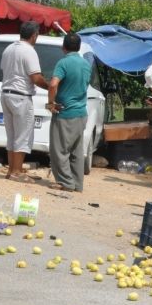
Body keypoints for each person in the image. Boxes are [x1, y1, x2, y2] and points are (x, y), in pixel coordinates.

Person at [1, 21, 50, 182]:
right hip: (21, 96)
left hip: (6, 94)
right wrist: (50, 86)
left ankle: (12, 170)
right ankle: (17, 172)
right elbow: (35, 78)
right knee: (23, 136)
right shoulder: (29, 51)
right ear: (34, 35)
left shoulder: (9, 49)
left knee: (12, 135)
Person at [47, 33, 92, 192]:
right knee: (76, 151)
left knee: (59, 150)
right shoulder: (86, 64)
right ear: (78, 47)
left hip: (65, 113)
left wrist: (51, 103)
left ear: (63, 47)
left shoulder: (63, 63)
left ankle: (65, 182)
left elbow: (53, 84)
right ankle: (77, 184)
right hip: (81, 113)